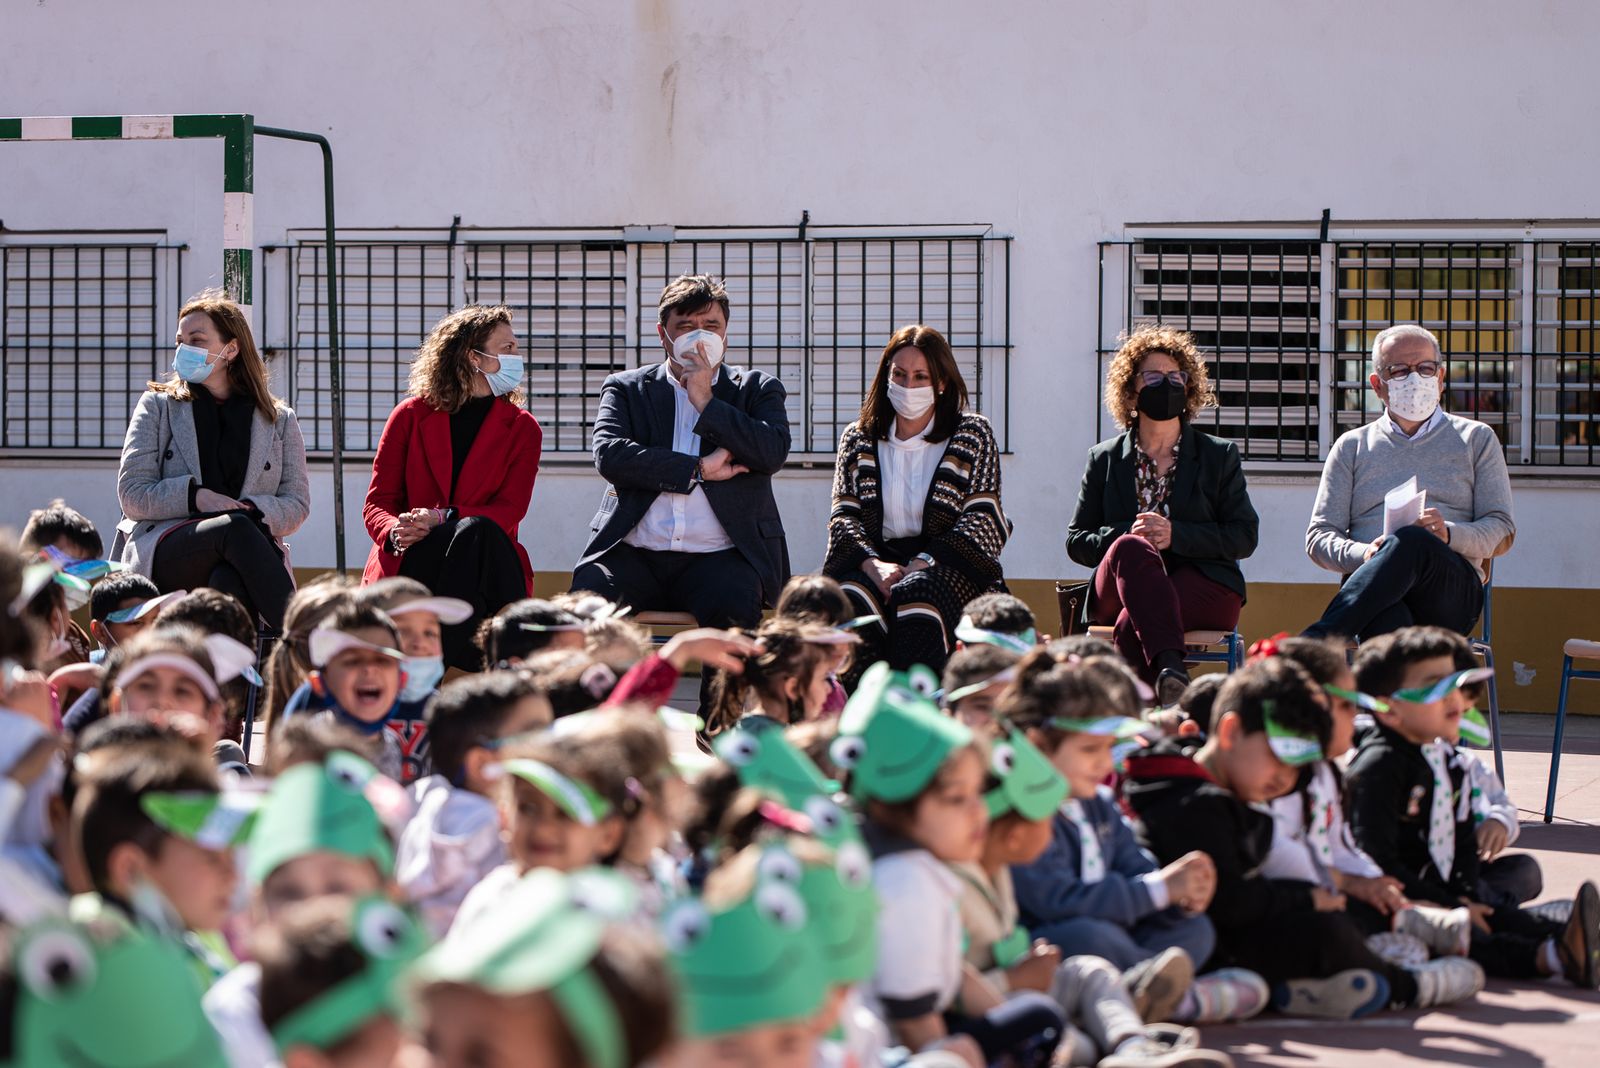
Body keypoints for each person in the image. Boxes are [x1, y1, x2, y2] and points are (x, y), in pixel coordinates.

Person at [1123, 658, 1484, 1018]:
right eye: (1279, 757)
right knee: (1323, 930)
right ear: (1231, 732)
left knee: (1333, 916)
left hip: (1229, 935)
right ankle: (1409, 986)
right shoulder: (1196, 803)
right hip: (1198, 941)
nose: (1286, 778)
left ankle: (1312, 991)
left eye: (1297, 766)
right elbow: (1231, 901)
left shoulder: (1229, 791)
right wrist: (1307, 898)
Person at [572, 275, 789, 703]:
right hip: (634, 552)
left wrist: (706, 399)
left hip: (720, 556)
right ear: (663, 333)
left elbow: (771, 452)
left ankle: (716, 724)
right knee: (586, 606)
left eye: (711, 326)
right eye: (686, 326)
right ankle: (594, 717)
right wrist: (697, 469)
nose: (699, 337)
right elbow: (611, 455)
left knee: (735, 607)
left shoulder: (756, 389)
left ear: (726, 333)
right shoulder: (627, 388)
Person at [1345, 627, 1600, 988]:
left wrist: (1463, 896)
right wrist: (1451, 906)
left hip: (1437, 885)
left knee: (1492, 906)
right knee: (1455, 930)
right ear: (1388, 710)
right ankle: (1551, 956)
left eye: (1455, 682)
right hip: (1389, 895)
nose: (1454, 696)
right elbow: (1376, 860)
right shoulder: (1380, 765)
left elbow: (1462, 840)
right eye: (1434, 686)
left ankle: (1566, 937)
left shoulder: (1446, 760)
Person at [840, 663, 1065, 1065]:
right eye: (957, 799)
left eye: (977, 794)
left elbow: (956, 974)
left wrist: (1004, 1017)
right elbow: (915, 1025)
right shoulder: (905, 879)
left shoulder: (919, 864)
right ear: (895, 806)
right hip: (880, 1051)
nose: (980, 813)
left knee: (1035, 1017)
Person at [1066, 326, 1258, 705]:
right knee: (1129, 548)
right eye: (1153, 377)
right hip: (1119, 585)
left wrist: (1176, 535)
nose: (1167, 384)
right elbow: (1077, 541)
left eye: (1176, 377)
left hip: (1203, 583)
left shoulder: (1218, 455)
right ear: (1131, 391)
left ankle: (1150, 700)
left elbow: (1244, 536)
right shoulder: (1104, 459)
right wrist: (1129, 532)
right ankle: (1171, 678)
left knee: (1133, 623)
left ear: (1189, 387)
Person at [113, 289, 310, 632]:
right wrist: (196, 497)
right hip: (168, 547)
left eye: (197, 340)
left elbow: (296, 504)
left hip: (242, 553)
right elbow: (132, 494)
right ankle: (306, 640)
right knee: (235, 527)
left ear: (231, 350)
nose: (183, 349)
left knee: (228, 579)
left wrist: (251, 509)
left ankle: (239, 667)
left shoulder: (278, 420)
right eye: (180, 341)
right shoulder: (157, 406)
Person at [1303, 324, 1515, 640]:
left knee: (1411, 540)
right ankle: (1338, 652)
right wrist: (1366, 553)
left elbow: (1502, 531)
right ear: (1378, 385)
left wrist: (1448, 534)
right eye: (1400, 370)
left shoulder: (1476, 439)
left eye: (1425, 368)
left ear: (1440, 378)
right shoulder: (1351, 447)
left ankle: (1317, 642)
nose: (1415, 378)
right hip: (1375, 592)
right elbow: (1319, 538)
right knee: (1387, 618)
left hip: (1449, 593)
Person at [823, 325, 1011, 680]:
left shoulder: (972, 434)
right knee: (850, 598)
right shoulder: (858, 438)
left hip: (948, 564)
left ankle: (919, 704)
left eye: (921, 376)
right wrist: (873, 566)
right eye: (899, 374)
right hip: (876, 561)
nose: (908, 385)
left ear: (941, 383)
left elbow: (982, 517)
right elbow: (843, 517)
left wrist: (922, 562)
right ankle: (859, 708)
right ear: (886, 376)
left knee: (917, 596)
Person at [362, 305, 543, 672]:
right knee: (469, 537)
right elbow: (378, 503)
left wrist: (443, 517)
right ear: (473, 357)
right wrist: (396, 531)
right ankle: (478, 662)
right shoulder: (410, 415)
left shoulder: (523, 428)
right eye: (507, 348)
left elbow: (511, 510)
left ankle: (427, 668)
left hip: (487, 564)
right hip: (416, 555)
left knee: (475, 531)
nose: (517, 357)